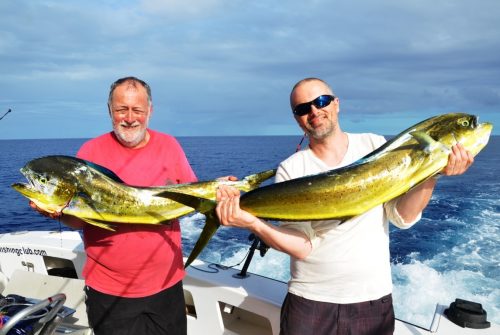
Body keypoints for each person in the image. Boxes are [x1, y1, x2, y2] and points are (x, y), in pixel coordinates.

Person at [215, 77, 475, 335]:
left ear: (336, 103)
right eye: (303, 108)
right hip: (309, 302)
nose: (314, 111)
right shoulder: (292, 168)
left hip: (372, 301)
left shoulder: (375, 145)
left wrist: (433, 172)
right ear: (296, 118)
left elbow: (403, 217)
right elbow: (303, 246)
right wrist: (252, 222)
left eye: (321, 101)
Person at [31, 76, 197, 335]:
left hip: (167, 285)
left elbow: (193, 197)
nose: (129, 117)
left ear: (149, 112)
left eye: (137, 110)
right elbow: (80, 219)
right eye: (121, 109)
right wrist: (57, 214)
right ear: (110, 110)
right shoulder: (90, 153)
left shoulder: (170, 146)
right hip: (110, 291)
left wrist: (222, 192)